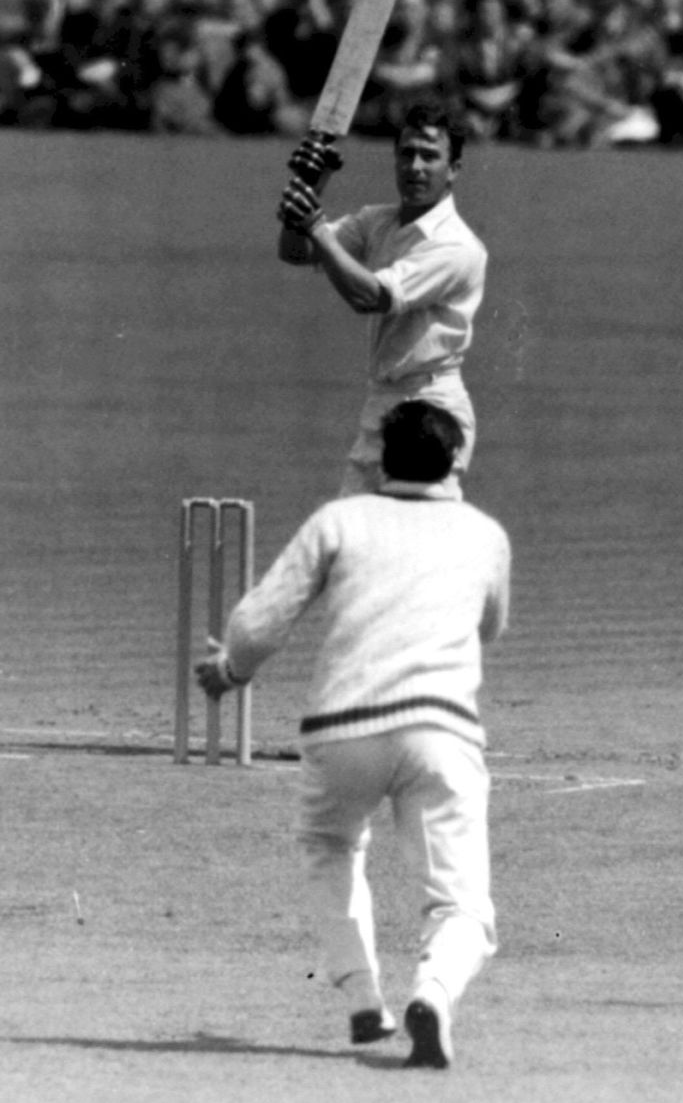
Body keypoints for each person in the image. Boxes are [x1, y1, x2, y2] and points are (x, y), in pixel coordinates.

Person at [195, 400, 511, 1068]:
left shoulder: (340, 518)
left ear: (379, 459)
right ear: (455, 462)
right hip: (441, 729)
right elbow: (490, 626)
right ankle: (432, 991)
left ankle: (365, 997)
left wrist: (230, 670)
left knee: (329, 845)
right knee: (462, 905)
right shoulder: (485, 533)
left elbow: (259, 624)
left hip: (343, 728)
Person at [277, 101, 486, 499]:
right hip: (383, 403)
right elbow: (295, 251)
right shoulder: (378, 222)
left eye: (430, 155)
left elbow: (371, 296)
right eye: (406, 154)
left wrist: (316, 225)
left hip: (431, 408)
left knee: (420, 541)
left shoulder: (457, 247)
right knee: (358, 534)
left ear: (454, 170)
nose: (415, 167)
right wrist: (308, 186)